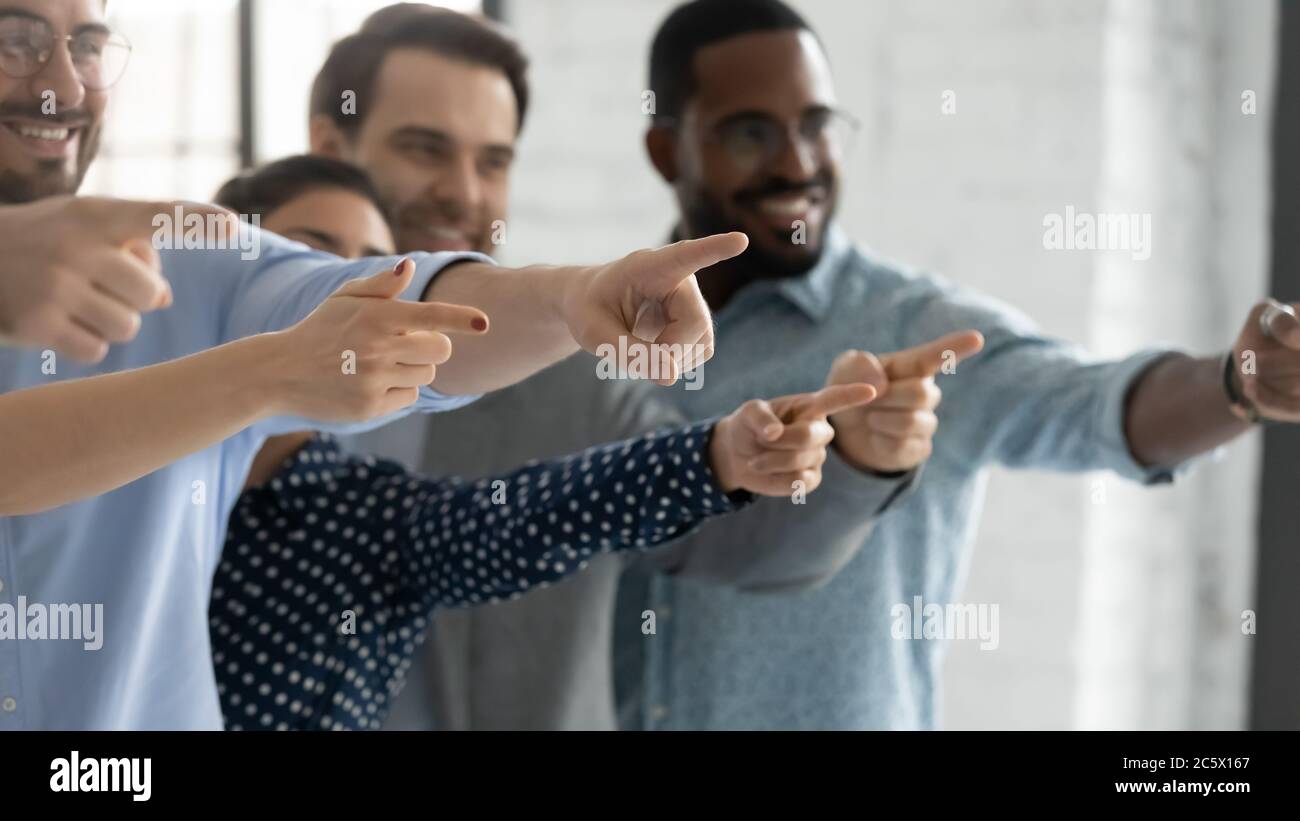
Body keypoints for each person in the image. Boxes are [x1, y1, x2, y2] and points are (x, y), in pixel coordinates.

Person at [0, 0, 748, 730]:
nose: (63, 87)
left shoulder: (186, 265)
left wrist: (568, 294)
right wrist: (267, 371)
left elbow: (392, 300)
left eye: (90, 45)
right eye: (15, 39)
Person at [609, 0, 1300, 730]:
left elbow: (1092, 405)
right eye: (750, 132)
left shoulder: (915, 332)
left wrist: (1233, 386)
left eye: (817, 125)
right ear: (665, 151)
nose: (797, 163)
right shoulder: (612, 339)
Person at [316, 3, 974, 730]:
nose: (463, 193)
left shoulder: (568, 383)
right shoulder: (223, 351)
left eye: (493, 160)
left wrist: (857, 459)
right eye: (425, 148)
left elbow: (727, 533)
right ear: (329, 141)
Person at [205, 155, 875, 730]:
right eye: (309, 258)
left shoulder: (366, 520)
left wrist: (715, 456)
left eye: (374, 271)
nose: (348, 296)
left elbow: (536, 514)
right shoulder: (135, 456)